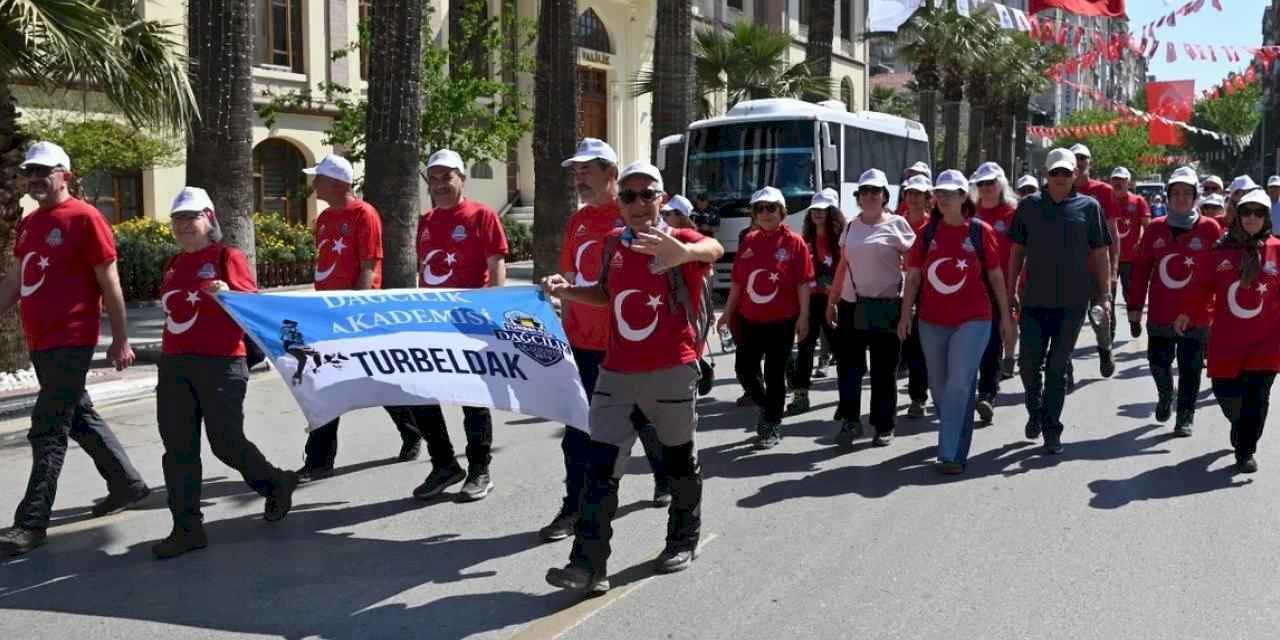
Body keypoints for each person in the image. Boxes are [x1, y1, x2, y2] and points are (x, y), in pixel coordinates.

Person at [541, 161, 724, 593]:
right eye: (629, 195)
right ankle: (588, 565)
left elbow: (714, 249)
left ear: (662, 199)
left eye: (648, 194)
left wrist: (685, 253)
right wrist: (565, 291)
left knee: (679, 461)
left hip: (671, 372)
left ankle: (683, 540)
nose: (638, 203)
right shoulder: (611, 244)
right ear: (620, 202)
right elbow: (606, 295)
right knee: (599, 468)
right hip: (617, 372)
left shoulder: (679, 238)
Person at [0, 142, 149, 557]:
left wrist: (120, 339)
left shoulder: (86, 218)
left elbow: (110, 283)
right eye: (30, 172)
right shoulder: (30, 223)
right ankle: (127, 483)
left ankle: (30, 524)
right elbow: (14, 282)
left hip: (72, 338)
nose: (35, 179)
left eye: (44, 171)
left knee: (49, 428)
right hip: (42, 340)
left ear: (64, 174)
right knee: (77, 414)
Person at [150, 188, 298, 559]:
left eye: (192, 217)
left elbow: (252, 305)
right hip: (175, 365)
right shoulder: (172, 263)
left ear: (209, 220)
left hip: (220, 364)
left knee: (225, 443)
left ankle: (275, 482)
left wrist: (228, 291)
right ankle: (187, 528)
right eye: (178, 218)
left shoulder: (226, 256)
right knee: (178, 450)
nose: (184, 225)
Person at [539, 139, 669, 543]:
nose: (579, 179)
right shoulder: (577, 221)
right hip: (580, 341)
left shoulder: (631, 214)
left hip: (623, 344)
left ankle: (665, 475)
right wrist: (558, 295)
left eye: (586, 170)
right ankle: (573, 508)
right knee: (578, 429)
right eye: (575, 171)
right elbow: (571, 277)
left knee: (644, 419)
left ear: (611, 173)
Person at [296, 154, 423, 480]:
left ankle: (412, 431)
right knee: (324, 384)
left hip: (357, 314)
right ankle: (319, 461)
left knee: (376, 380)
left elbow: (369, 264)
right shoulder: (324, 218)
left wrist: (356, 309)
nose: (314, 184)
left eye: (319, 178)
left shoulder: (364, 214)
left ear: (338, 183)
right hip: (326, 313)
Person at [899, 170, 1015, 474]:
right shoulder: (926, 233)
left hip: (974, 319)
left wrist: (1006, 317)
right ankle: (955, 428)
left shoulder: (980, 231)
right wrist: (904, 315)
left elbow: (996, 276)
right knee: (940, 388)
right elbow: (913, 277)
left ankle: (951, 453)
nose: (945, 198)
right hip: (932, 320)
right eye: (940, 192)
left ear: (965, 196)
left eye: (952, 192)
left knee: (960, 381)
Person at [409, 149, 508, 502]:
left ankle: (480, 469)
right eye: (433, 179)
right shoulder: (424, 222)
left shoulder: (482, 216)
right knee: (418, 393)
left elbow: (497, 264)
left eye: (446, 177)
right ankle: (444, 465)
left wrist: (494, 311)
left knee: (472, 398)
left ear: (461, 179)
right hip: (432, 323)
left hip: (471, 322)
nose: (439, 185)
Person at [1007, 148, 1113, 455]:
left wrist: (1104, 295)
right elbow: (1017, 251)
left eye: (1066, 173)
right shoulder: (1029, 206)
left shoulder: (1089, 207)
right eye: (1055, 173)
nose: (1061, 178)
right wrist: (1012, 286)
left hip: (1072, 303)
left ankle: (1052, 429)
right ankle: (1034, 409)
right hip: (1034, 301)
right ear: (1046, 174)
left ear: (1075, 175)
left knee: (1056, 367)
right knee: (1029, 365)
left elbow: (1100, 254)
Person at [1176, 190, 1280, 473]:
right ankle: (1240, 424)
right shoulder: (1221, 251)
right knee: (1225, 392)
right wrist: (1185, 312)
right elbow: (1199, 286)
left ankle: (1245, 450)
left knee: (1258, 399)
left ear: (1266, 217)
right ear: (1238, 216)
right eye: (1247, 212)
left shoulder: (1277, 249)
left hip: (1267, 341)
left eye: (1259, 213)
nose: (1252, 218)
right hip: (1226, 340)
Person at [1128, 167, 1220, 437]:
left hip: (1197, 314)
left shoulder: (1210, 229)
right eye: (1176, 193)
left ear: (1195, 197)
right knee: (1158, 361)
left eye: (1187, 193)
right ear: (1168, 196)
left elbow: (1218, 273)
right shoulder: (1156, 228)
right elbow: (1142, 270)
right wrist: (1134, 307)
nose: (1181, 198)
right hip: (1161, 311)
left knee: (1191, 368)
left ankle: (1185, 416)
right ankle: (1166, 393)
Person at [826, 169, 916, 447]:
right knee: (850, 368)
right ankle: (851, 421)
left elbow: (914, 268)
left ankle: (884, 424)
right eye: (863, 191)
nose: (868, 196)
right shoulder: (851, 226)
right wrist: (832, 300)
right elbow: (843, 264)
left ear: (884, 196)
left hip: (887, 306)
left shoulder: (898, 224)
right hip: (853, 305)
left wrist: (907, 310)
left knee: (883, 370)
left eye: (874, 191)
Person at [718, 186, 812, 449]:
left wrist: (804, 318)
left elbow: (804, 283)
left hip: (782, 322)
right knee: (745, 370)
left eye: (771, 208)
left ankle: (771, 424)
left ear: (781, 211)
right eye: (760, 208)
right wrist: (726, 313)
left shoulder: (795, 242)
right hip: (750, 319)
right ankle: (767, 406)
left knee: (774, 374)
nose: (765, 213)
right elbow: (738, 281)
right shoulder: (749, 240)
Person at [788, 188, 844, 416]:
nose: (818, 214)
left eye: (824, 209)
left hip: (835, 301)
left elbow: (846, 270)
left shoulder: (842, 239)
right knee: (804, 348)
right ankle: (801, 395)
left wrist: (837, 294)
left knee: (841, 350)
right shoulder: (804, 240)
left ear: (833, 212)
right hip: (810, 302)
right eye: (815, 210)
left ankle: (847, 398)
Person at [971, 162, 1018, 422]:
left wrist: (1014, 290)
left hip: (999, 287)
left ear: (1001, 184)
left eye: (991, 183)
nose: (987, 188)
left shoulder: (1012, 214)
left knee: (991, 343)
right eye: (982, 184)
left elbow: (1020, 257)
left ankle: (987, 394)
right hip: (967, 288)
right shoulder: (968, 213)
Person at [1069, 144, 1119, 378]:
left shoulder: (1103, 191)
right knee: (1067, 320)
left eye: (1083, 158)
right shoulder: (1059, 188)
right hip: (1069, 270)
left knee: (1101, 314)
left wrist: (1113, 267)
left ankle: (1105, 351)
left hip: (1097, 266)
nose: (1079, 162)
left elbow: (1112, 231)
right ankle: (1064, 366)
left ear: (1090, 162)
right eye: (1075, 158)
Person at [897, 175, 933, 417]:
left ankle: (918, 398)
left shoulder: (933, 226)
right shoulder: (895, 223)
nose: (913, 198)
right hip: (897, 288)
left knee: (918, 345)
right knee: (902, 345)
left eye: (918, 194)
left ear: (927, 198)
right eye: (910, 193)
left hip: (926, 290)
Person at [1109, 166, 1152, 341]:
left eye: (1122, 179)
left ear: (1128, 182)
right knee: (1107, 295)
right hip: (1110, 258)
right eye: (1115, 179)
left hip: (1131, 259)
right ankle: (1109, 329)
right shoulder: (1106, 199)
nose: (1118, 183)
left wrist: (1142, 244)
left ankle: (1134, 320)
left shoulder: (1138, 201)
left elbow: (1147, 227)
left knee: (1131, 294)